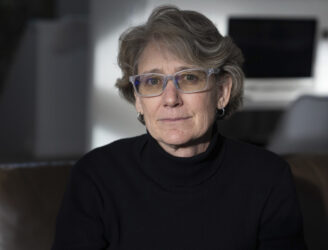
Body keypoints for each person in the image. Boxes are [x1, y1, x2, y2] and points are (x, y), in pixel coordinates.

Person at [52, 5, 306, 250]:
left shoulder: (268, 178)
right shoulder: (96, 177)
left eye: (189, 77)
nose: (171, 99)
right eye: (152, 81)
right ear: (138, 99)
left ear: (222, 91)